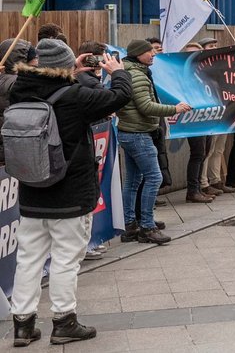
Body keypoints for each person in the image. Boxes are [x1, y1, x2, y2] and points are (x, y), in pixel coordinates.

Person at [8, 42, 131, 346]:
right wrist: (118, 72)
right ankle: (64, 322)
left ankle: (23, 326)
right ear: (66, 66)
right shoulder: (76, 96)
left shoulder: (18, 90)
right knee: (65, 259)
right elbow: (119, 97)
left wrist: (68, 69)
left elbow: (45, 81)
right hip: (70, 194)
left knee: (28, 259)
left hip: (31, 191)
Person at [115, 39, 189, 244]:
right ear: (139, 54)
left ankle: (130, 225)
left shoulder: (131, 71)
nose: (154, 54)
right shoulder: (137, 75)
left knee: (133, 180)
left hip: (129, 132)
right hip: (138, 134)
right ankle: (147, 227)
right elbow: (146, 107)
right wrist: (175, 109)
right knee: (154, 177)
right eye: (149, 52)